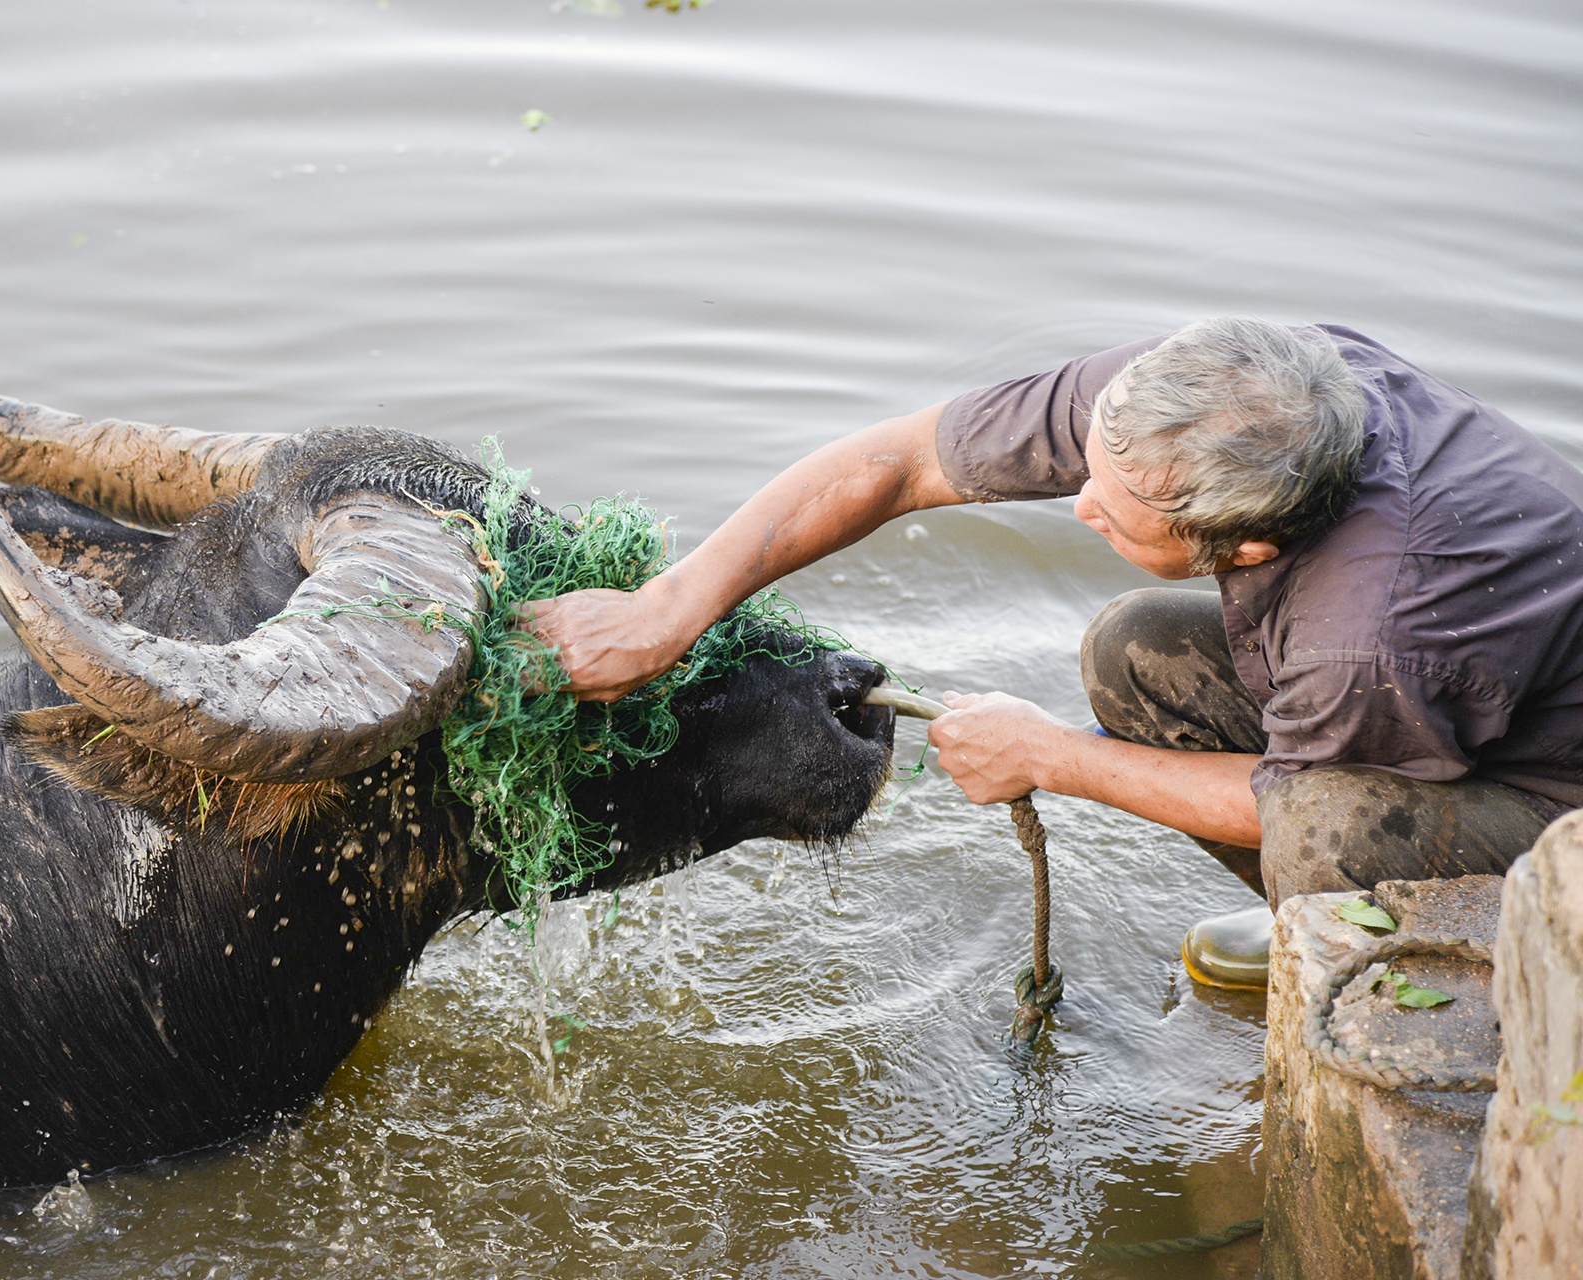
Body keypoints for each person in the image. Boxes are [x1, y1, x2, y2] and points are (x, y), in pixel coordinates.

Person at [520, 318, 1583, 988]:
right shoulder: (1222, 388)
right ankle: (1313, 924)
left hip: (1554, 801)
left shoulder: (1375, 631)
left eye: (1119, 512)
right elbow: (898, 462)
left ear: (1250, 545)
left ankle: (1373, 970)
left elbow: (1286, 798)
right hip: (1461, 693)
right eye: (1092, 470)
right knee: (1135, 653)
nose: (1079, 504)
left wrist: (1052, 758)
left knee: (1326, 836)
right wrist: (671, 606)